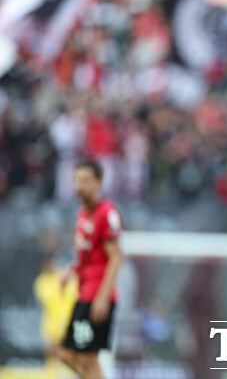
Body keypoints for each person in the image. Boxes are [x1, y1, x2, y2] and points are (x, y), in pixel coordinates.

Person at [56, 160, 124, 379]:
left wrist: (103, 297)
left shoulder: (107, 213)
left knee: (87, 358)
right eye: (77, 180)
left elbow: (116, 257)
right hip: (84, 292)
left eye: (85, 180)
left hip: (97, 296)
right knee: (67, 354)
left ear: (99, 182)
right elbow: (87, 256)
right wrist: (71, 270)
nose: (79, 186)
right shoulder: (82, 214)